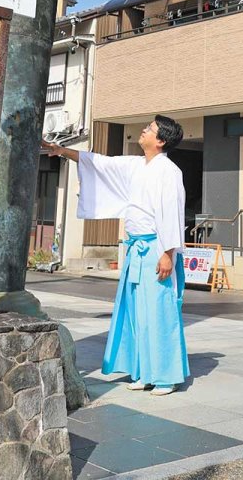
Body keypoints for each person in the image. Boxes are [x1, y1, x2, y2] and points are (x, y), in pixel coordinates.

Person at [45, 115, 189, 396]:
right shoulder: (136, 165)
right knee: (136, 312)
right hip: (136, 248)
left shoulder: (169, 171)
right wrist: (63, 151)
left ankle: (164, 376)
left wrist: (167, 254)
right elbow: (99, 162)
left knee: (158, 312)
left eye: (151, 129)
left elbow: (171, 212)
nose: (144, 130)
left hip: (156, 249)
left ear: (160, 141)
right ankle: (143, 372)